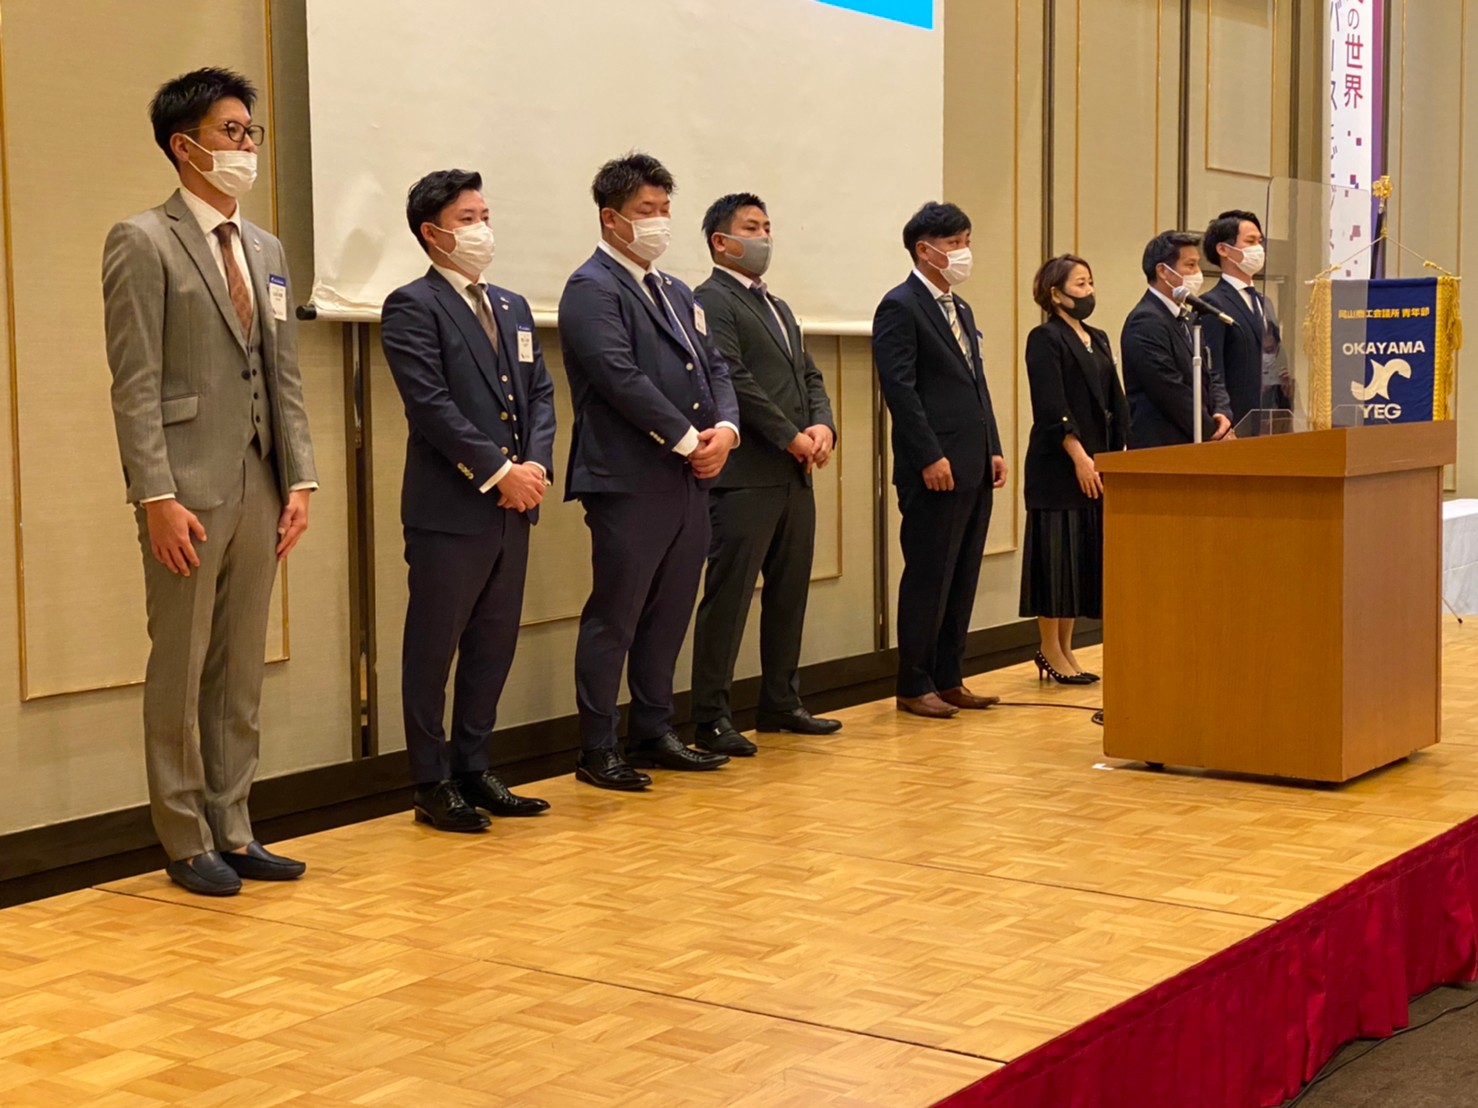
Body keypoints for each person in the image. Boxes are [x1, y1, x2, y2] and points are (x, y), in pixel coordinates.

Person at [101, 68, 317, 896]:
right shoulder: (142, 239)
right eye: (232, 131)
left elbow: (282, 373)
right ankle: (185, 835)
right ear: (183, 146)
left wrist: (300, 480)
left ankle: (235, 825)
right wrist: (154, 495)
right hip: (184, 487)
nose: (247, 146)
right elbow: (135, 382)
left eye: (251, 132)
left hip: (261, 477)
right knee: (182, 663)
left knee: (240, 665)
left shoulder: (266, 250)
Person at [379, 170, 556, 833]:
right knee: (434, 649)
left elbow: (540, 394)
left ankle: (475, 768)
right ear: (433, 233)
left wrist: (534, 464)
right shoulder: (413, 305)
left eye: (485, 216)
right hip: (451, 510)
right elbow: (431, 406)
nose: (483, 229)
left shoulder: (511, 305)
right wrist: (498, 470)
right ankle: (431, 782)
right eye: (468, 219)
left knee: (493, 643)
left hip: (514, 505)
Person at [558, 153, 741, 788]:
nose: (660, 220)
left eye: (665, 209)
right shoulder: (591, 288)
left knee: (669, 610)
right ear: (611, 219)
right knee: (617, 614)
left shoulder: (676, 291)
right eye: (646, 210)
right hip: (628, 478)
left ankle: (654, 730)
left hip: (689, 477)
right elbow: (619, 376)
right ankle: (597, 747)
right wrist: (689, 440)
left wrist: (726, 430)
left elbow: (714, 367)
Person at [689, 194, 841, 756]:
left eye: (768, 227)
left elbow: (809, 374)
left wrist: (822, 425)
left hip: (795, 474)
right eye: (751, 228)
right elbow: (733, 379)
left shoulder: (776, 304)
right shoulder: (711, 299)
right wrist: (789, 435)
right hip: (746, 475)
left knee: (788, 592)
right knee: (728, 599)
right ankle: (711, 716)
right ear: (721, 241)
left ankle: (780, 702)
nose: (765, 237)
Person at [873, 201, 1007, 720]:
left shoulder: (961, 308)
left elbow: (976, 382)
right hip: (933, 468)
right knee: (930, 574)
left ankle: (950, 676)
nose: (963, 252)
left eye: (966, 241)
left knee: (963, 573)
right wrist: (930, 454)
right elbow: (900, 390)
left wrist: (993, 445)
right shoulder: (900, 306)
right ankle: (914, 683)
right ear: (924, 250)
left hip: (973, 461)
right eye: (954, 244)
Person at [1019, 255, 1129, 683]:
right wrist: (1079, 456)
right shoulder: (1044, 338)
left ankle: (1066, 647)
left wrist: (1117, 452)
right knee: (1055, 558)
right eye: (1080, 284)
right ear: (1056, 293)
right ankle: (1049, 647)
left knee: (1076, 559)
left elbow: (1114, 398)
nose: (1089, 291)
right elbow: (1051, 405)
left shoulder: (1096, 337)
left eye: (1090, 282)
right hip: (1059, 465)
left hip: (1097, 461)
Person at [1121, 230, 1232, 449]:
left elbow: (1210, 374)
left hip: (1195, 442)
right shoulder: (1145, 321)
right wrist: (1212, 431)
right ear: (1163, 271)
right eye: (1190, 265)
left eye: (1198, 265)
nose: (1197, 273)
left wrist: (1222, 413)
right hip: (1162, 446)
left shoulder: (1188, 317)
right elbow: (1169, 390)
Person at [1201, 209, 1288, 430]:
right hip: (1238, 419)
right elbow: (1214, 370)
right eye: (1250, 241)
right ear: (1223, 249)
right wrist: (1222, 413)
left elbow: (1275, 356)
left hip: (1274, 416)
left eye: (1260, 241)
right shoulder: (1212, 303)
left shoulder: (1264, 301)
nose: (1258, 248)